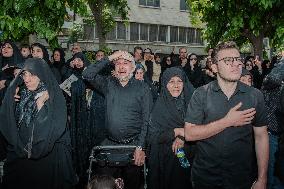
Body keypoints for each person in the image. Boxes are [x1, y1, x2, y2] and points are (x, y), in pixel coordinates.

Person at [184, 41, 269, 189]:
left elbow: (261, 136)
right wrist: (227, 121)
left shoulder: (255, 95)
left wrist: (262, 178)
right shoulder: (201, 94)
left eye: (237, 59)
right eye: (228, 60)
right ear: (215, 67)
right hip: (205, 178)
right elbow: (190, 134)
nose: (235, 64)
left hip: (242, 178)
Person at [0, 58, 77, 189]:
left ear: (42, 75)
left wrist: (41, 104)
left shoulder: (53, 96)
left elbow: (49, 130)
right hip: (23, 154)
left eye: (33, 75)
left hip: (48, 159)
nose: (27, 79)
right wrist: (10, 103)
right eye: (24, 74)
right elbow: (11, 125)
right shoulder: (22, 93)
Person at [83, 50, 153, 189]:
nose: (121, 66)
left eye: (125, 63)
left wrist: (141, 147)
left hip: (133, 147)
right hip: (110, 146)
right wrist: (110, 57)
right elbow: (87, 74)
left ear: (133, 68)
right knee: (105, 185)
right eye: (118, 63)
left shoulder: (143, 88)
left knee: (132, 185)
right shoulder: (108, 84)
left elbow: (147, 120)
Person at [147, 67, 194, 189]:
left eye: (179, 81)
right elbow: (153, 137)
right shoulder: (159, 107)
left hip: (189, 155)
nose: (176, 85)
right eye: (171, 81)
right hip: (165, 158)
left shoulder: (193, 103)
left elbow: (201, 128)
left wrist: (183, 137)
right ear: (165, 84)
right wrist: (176, 131)